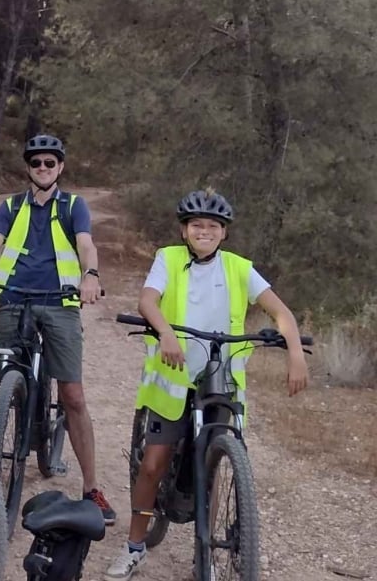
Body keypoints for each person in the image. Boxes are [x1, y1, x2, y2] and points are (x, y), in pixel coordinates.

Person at [104, 189, 309, 579]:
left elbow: (280, 311)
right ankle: (134, 546)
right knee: (152, 465)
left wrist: (295, 353)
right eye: (197, 225)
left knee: (215, 467)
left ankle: (205, 555)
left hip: (221, 378)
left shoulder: (238, 268)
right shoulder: (168, 258)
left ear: (224, 233)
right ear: (184, 231)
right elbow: (148, 300)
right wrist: (164, 332)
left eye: (213, 226)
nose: (205, 231)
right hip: (173, 379)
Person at [0, 133, 116, 522]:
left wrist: (91, 275)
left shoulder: (73, 206)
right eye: (37, 163)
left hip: (60, 303)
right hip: (14, 299)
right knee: (0, 389)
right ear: (28, 168)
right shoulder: (12, 206)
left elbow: (86, 245)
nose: (43, 169)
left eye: (50, 163)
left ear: (61, 167)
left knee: (73, 395)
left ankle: (91, 487)